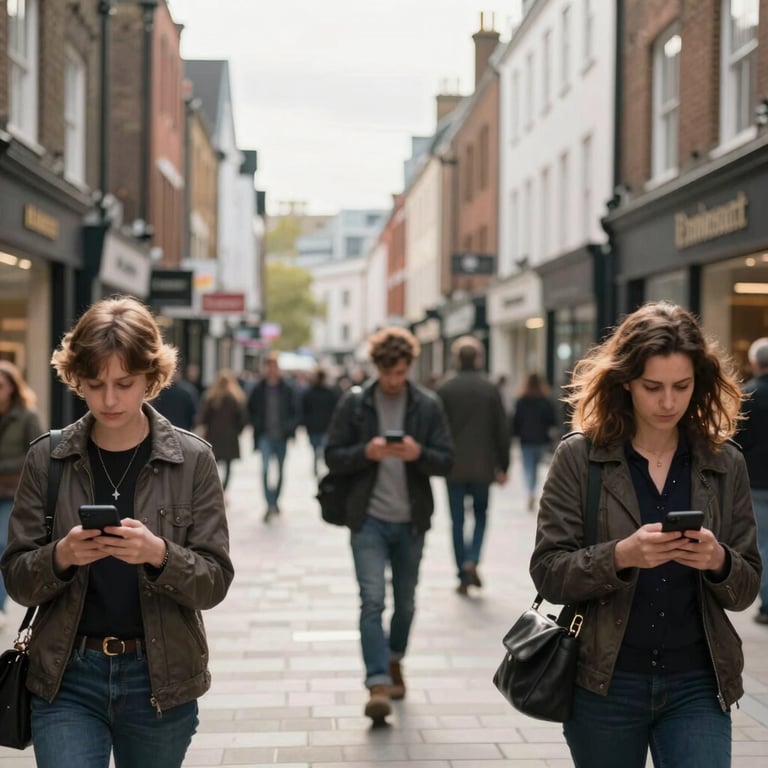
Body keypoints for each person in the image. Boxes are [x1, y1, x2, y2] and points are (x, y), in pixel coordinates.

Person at [1, 296, 234, 768]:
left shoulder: (193, 461)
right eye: (95, 384)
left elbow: (214, 581)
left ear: (152, 378)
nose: (109, 399)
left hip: (159, 680)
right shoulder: (47, 458)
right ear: (76, 379)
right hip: (66, 676)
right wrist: (61, 556)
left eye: (124, 384)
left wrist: (159, 553)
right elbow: (17, 578)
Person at [529, 301, 760, 768]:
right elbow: (548, 572)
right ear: (626, 381)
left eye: (682, 386)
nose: (669, 402)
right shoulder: (580, 457)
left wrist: (719, 561)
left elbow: (747, 586)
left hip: (698, 682)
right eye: (653, 387)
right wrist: (621, 555)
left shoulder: (724, 461)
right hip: (605, 683)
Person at [324, 326, 453, 725]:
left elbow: (446, 460)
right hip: (368, 518)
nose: (394, 380)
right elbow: (332, 455)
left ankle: (394, 658)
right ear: (377, 368)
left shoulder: (427, 405)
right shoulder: (356, 403)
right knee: (372, 600)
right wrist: (367, 451)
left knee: (407, 602)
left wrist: (418, 453)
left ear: (409, 367)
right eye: (388, 373)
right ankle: (377, 681)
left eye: (400, 373)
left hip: (411, 520)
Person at [436, 336, 509, 595]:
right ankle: (473, 558)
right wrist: (504, 466)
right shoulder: (489, 389)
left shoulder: (445, 389)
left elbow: (437, 429)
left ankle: (462, 571)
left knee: (456, 521)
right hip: (482, 466)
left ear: (457, 359)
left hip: (453, 467)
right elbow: (502, 429)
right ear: (478, 358)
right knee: (480, 516)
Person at [0, 360, 43, 624]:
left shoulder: (28, 416)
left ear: (12, 388)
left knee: (3, 546)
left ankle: (0, 604)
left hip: (11, 492)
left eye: (1, 386)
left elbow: (37, 452)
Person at [736, 337, 768, 625]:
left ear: (756, 363)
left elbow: (735, 441)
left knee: (764, 541)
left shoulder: (748, 395)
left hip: (757, 480)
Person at [246, 351, 299, 522]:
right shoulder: (259, 388)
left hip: (281, 436)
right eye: (269, 366)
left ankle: (275, 501)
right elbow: (250, 409)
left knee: (281, 471)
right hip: (265, 436)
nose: (272, 369)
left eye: (275, 366)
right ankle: (269, 504)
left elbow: (295, 410)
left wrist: (289, 427)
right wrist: (255, 424)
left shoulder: (287, 388)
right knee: (265, 470)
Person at [511, 372, 557, 512]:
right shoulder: (545, 400)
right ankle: (533, 490)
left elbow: (516, 420)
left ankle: (530, 491)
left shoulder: (521, 400)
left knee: (528, 467)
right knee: (536, 467)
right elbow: (552, 420)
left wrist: (516, 434)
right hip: (541, 439)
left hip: (526, 439)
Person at [198, 369, 247, 491]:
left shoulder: (214, 398)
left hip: (216, 436)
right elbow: (242, 418)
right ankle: (222, 488)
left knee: (216, 464)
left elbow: (204, 418)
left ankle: (219, 488)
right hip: (227, 436)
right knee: (225, 465)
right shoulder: (234, 398)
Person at [301, 366, 340, 477]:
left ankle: (318, 468)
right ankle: (321, 469)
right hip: (325, 427)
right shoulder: (330, 392)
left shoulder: (310, 392)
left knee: (317, 450)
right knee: (323, 451)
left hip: (317, 427)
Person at [152, 366, 199, 430]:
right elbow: (192, 415)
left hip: (164, 429)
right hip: (182, 429)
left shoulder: (159, 392)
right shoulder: (187, 391)